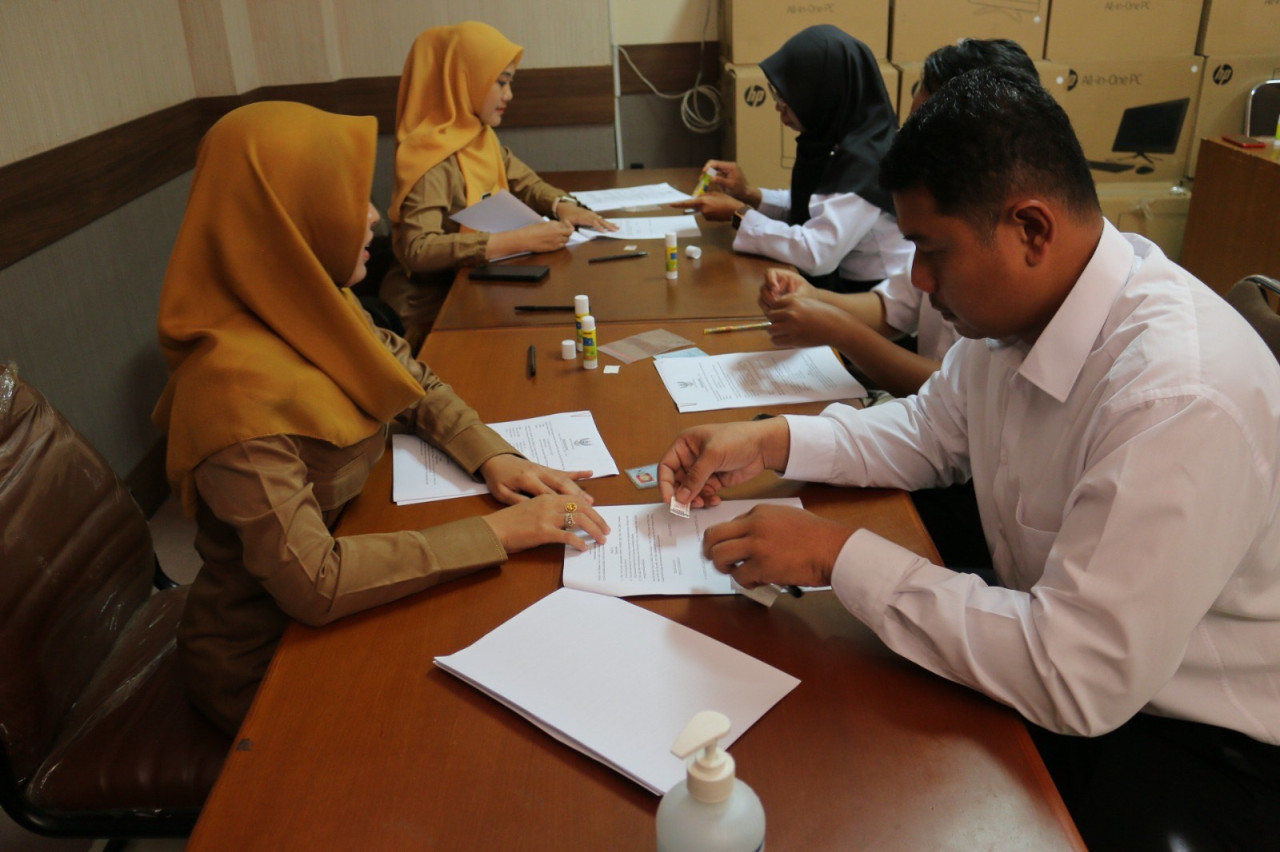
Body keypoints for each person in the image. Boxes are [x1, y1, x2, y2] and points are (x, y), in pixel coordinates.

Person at [658, 69, 1280, 849]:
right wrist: (771, 439)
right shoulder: (1017, 319)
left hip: (1190, 744)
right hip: (1061, 652)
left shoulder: (1176, 394)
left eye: (931, 249)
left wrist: (837, 555)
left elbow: (1075, 677)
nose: (917, 279)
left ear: (1032, 229)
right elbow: (928, 430)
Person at [152, 101, 610, 735]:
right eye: (349, 198)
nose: (373, 216)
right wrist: (503, 533)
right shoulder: (232, 398)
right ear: (283, 218)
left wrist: (492, 455)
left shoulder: (310, 302)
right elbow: (315, 582)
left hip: (348, 591)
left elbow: (411, 380)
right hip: (269, 663)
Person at [758, 39, 1040, 398]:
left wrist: (840, 330)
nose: (908, 150)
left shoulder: (997, 247)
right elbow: (894, 305)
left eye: (926, 139)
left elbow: (952, 392)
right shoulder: (944, 213)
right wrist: (813, 296)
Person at [382, 21, 617, 348]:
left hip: (475, 289)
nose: (509, 95)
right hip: (429, 316)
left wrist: (562, 205)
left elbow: (526, 183)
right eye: (501, 82)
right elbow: (418, 250)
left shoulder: (477, 134)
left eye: (510, 82)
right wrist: (516, 240)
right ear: (464, 82)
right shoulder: (429, 154)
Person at [671, 25, 910, 294]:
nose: (778, 105)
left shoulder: (868, 160)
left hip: (877, 302)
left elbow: (816, 253)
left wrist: (738, 214)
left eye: (786, 96)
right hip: (847, 288)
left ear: (825, 92)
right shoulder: (838, 139)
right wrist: (749, 195)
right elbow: (815, 207)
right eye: (778, 93)